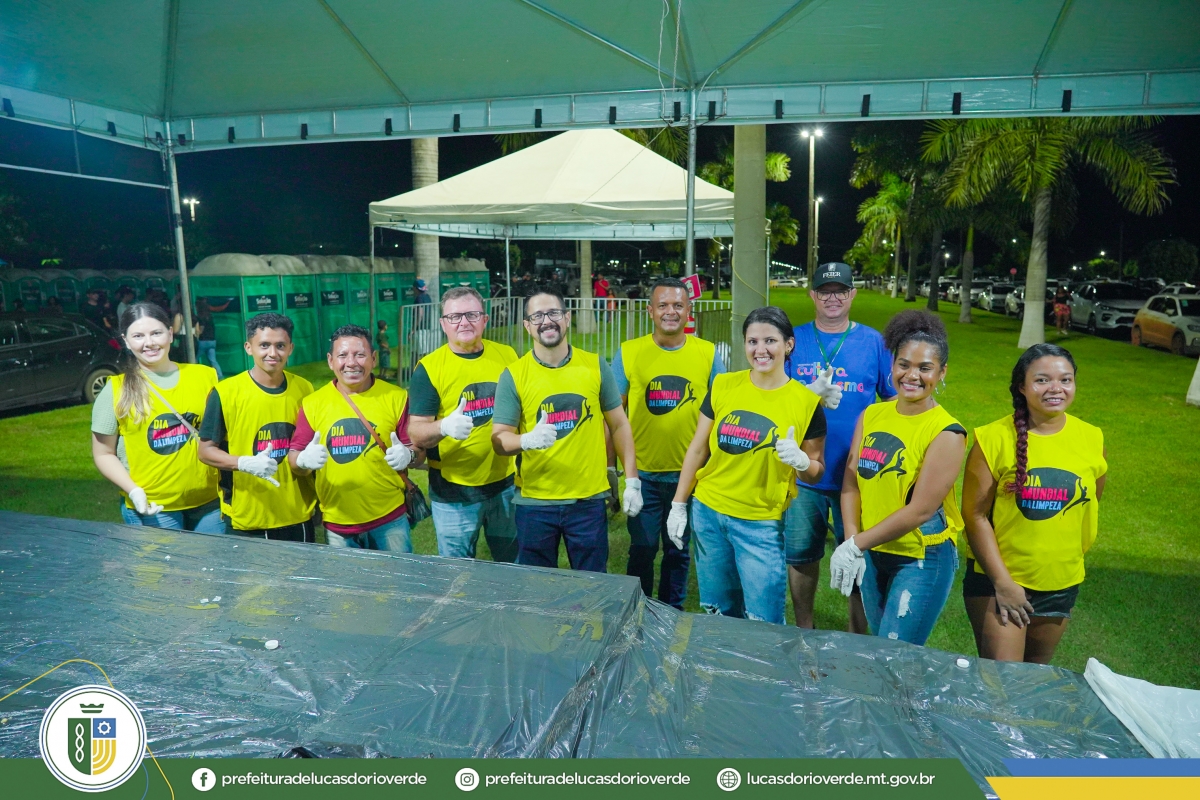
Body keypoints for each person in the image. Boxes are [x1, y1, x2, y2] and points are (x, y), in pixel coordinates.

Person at [670, 306, 827, 624]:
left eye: (770, 341)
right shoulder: (723, 385)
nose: (760, 350)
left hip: (760, 524)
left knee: (763, 622)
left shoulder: (807, 403)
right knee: (718, 613)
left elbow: (816, 469)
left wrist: (801, 461)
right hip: (709, 515)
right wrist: (678, 504)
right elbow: (698, 448)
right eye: (752, 341)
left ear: (788, 345)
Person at [961, 344, 1104, 664]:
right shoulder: (993, 438)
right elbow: (974, 515)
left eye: (1065, 380)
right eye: (1042, 380)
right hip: (999, 582)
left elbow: (1090, 500)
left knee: (1035, 681)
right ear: (1022, 387)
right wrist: (1003, 583)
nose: (1056, 388)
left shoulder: (1092, 438)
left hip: (1061, 582)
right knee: (1003, 684)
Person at [831, 311, 966, 646]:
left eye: (925, 368)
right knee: (879, 647)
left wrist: (855, 544)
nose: (912, 375)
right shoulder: (872, 414)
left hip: (920, 556)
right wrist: (853, 540)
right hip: (872, 549)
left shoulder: (947, 432)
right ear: (892, 365)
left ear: (942, 372)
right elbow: (851, 481)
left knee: (895, 653)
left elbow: (921, 510)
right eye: (903, 364)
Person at [490, 289, 641, 573]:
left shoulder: (595, 365)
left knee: (592, 585)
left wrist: (632, 480)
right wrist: (526, 440)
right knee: (537, 586)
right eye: (537, 316)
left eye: (553, 313)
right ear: (527, 325)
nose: (546, 321)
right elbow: (499, 440)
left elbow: (619, 424)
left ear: (567, 318)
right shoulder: (514, 375)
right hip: (535, 502)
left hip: (588, 501)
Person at [787, 262, 895, 631]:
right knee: (801, 555)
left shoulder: (874, 342)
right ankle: (804, 629)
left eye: (840, 291)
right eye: (824, 291)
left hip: (858, 474)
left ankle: (856, 636)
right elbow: (774, 398)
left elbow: (893, 400)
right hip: (805, 471)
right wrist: (807, 395)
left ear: (852, 294)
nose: (832, 298)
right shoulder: (794, 340)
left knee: (857, 556)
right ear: (812, 295)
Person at [610, 277, 725, 608]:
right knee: (643, 549)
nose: (670, 312)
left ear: (689, 311)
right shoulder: (629, 352)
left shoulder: (707, 353)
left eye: (678, 305)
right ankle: (638, 610)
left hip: (689, 476)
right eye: (662, 305)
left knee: (678, 549)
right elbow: (613, 417)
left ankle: (671, 615)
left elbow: (725, 406)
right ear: (650, 311)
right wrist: (614, 470)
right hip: (643, 475)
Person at [408, 287, 519, 562]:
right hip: (453, 493)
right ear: (443, 324)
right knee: (457, 575)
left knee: (514, 569)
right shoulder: (429, 368)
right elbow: (416, 431)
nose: (464, 322)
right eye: (455, 316)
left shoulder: (507, 356)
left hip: (505, 484)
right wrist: (443, 427)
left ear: (485, 319)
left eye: (472, 314)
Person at [90, 302, 223, 532]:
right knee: (163, 559)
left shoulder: (205, 376)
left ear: (170, 334)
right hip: (153, 507)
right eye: (138, 336)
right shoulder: (115, 389)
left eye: (156, 333)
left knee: (213, 557)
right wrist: (133, 490)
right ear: (126, 341)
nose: (149, 342)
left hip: (210, 501)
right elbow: (103, 453)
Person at [288, 325, 421, 550]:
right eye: (342, 355)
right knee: (344, 576)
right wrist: (302, 460)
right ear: (330, 361)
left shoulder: (396, 397)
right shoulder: (313, 404)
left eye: (360, 354)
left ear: (373, 358)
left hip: (390, 519)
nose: (351, 363)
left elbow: (418, 453)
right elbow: (294, 458)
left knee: (398, 574)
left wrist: (409, 455)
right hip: (337, 521)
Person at [198, 313, 317, 541]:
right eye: (264, 345)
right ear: (248, 347)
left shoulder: (305, 389)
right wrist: (243, 463)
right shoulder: (225, 392)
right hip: (248, 516)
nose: (272, 353)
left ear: (290, 348)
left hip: (297, 512)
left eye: (280, 345)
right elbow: (205, 451)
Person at [194, 298, 223, 379]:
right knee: (213, 360)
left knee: (194, 359)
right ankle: (220, 376)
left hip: (203, 341)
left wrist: (195, 334)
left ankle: (196, 376)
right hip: (212, 341)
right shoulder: (210, 316)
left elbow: (201, 330)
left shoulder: (200, 317)